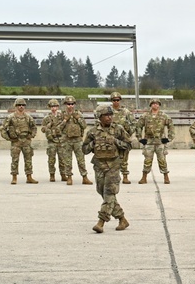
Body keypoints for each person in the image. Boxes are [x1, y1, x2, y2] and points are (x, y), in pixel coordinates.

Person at [82, 104, 132, 233]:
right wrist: (94, 143)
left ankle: (101, 222)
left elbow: (128, 144)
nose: (109, 117)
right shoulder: (93, 132)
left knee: (109, 193)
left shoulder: (118, 129)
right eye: (106, 115)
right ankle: (122, 219)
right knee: (102, 192)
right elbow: (85, 149)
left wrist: (116, 141)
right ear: (100, 117)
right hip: (99, 166)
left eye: (111, 115)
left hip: (114, 165)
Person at [0, 97, 39, 184]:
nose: (21, 106)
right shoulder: (11, 117)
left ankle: (29, 177)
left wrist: (31, 136)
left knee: (28, 160)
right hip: (16, 142)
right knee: (15, 160)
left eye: (23, 105)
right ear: (16, 106)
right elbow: (3, 128)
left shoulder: (28, 117)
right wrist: (8, 138)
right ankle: (14, 177)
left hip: (26, 141)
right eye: (19, 105)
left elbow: (34, 127)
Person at [137, 98, 173, 184]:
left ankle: (166, 177)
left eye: (157, 103)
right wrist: (140, 138)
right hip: (149, 142)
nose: (155, 105)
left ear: (159, 105)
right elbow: (138, 126)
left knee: (162, 160)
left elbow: (171, 126)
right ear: (150, 105)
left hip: (160, 141)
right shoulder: (145, 116)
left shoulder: (164, 116)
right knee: (147, 160)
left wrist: (169, 138)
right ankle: (144, 177)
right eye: (153, 103)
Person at [58, 96, 92, 185]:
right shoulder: (61, 115)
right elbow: (58, 129)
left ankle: (84, 177)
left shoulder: (78, 114)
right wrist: (65, 120)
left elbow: (84, 126)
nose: (70, 106)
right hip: (67, 141)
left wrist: (78, 119)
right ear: (65, 105)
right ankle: (69, 177)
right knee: (67, 160)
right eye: (68, 104)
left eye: (72, 104)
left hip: (77, 140)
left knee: (81, 160)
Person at [108, 91, 137, 184]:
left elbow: (133, 123)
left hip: (123, 139)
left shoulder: (125, 111)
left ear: (120, 100)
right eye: (114, 100)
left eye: (117, 100)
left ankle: (125, 176)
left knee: (124, 159)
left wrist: (128, 132)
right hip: (111, 138)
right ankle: (113, 177)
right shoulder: (108, 111)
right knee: (111, 159)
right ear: (111, 101)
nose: (116, 102)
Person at [41, 98, 64, 181]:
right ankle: (52, 175)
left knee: (62, 159)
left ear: (58, 107)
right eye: (52, 106)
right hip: (52, 141)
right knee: (51, 159)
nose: (54, 108)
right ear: (49, 107)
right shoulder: (47, 118)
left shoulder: (61, 116)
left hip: (61, 140)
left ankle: (63, 174)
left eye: (55, 106)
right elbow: (43, 129)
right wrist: (48, 126)